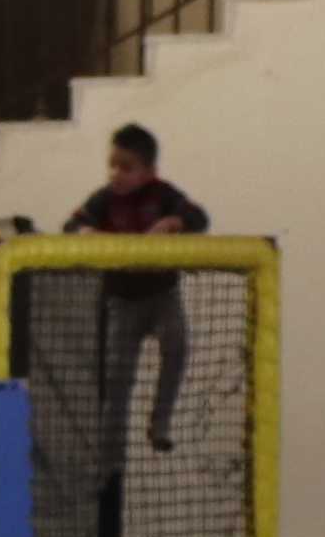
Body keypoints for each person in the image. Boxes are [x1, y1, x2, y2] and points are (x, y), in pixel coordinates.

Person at [65, 123, 214, 453]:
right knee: (118, 377)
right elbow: (71, 224)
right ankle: (110, 451)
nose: (116, 174)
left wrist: (173, 222)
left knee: (177, 345)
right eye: (112, 165)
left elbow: (199, 217)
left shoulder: (163, 195)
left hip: (162, 295)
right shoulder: (104, 199)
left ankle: (160, 422)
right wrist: (86, 233)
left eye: (126, 167)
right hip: (122, 301)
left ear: (149, 172)